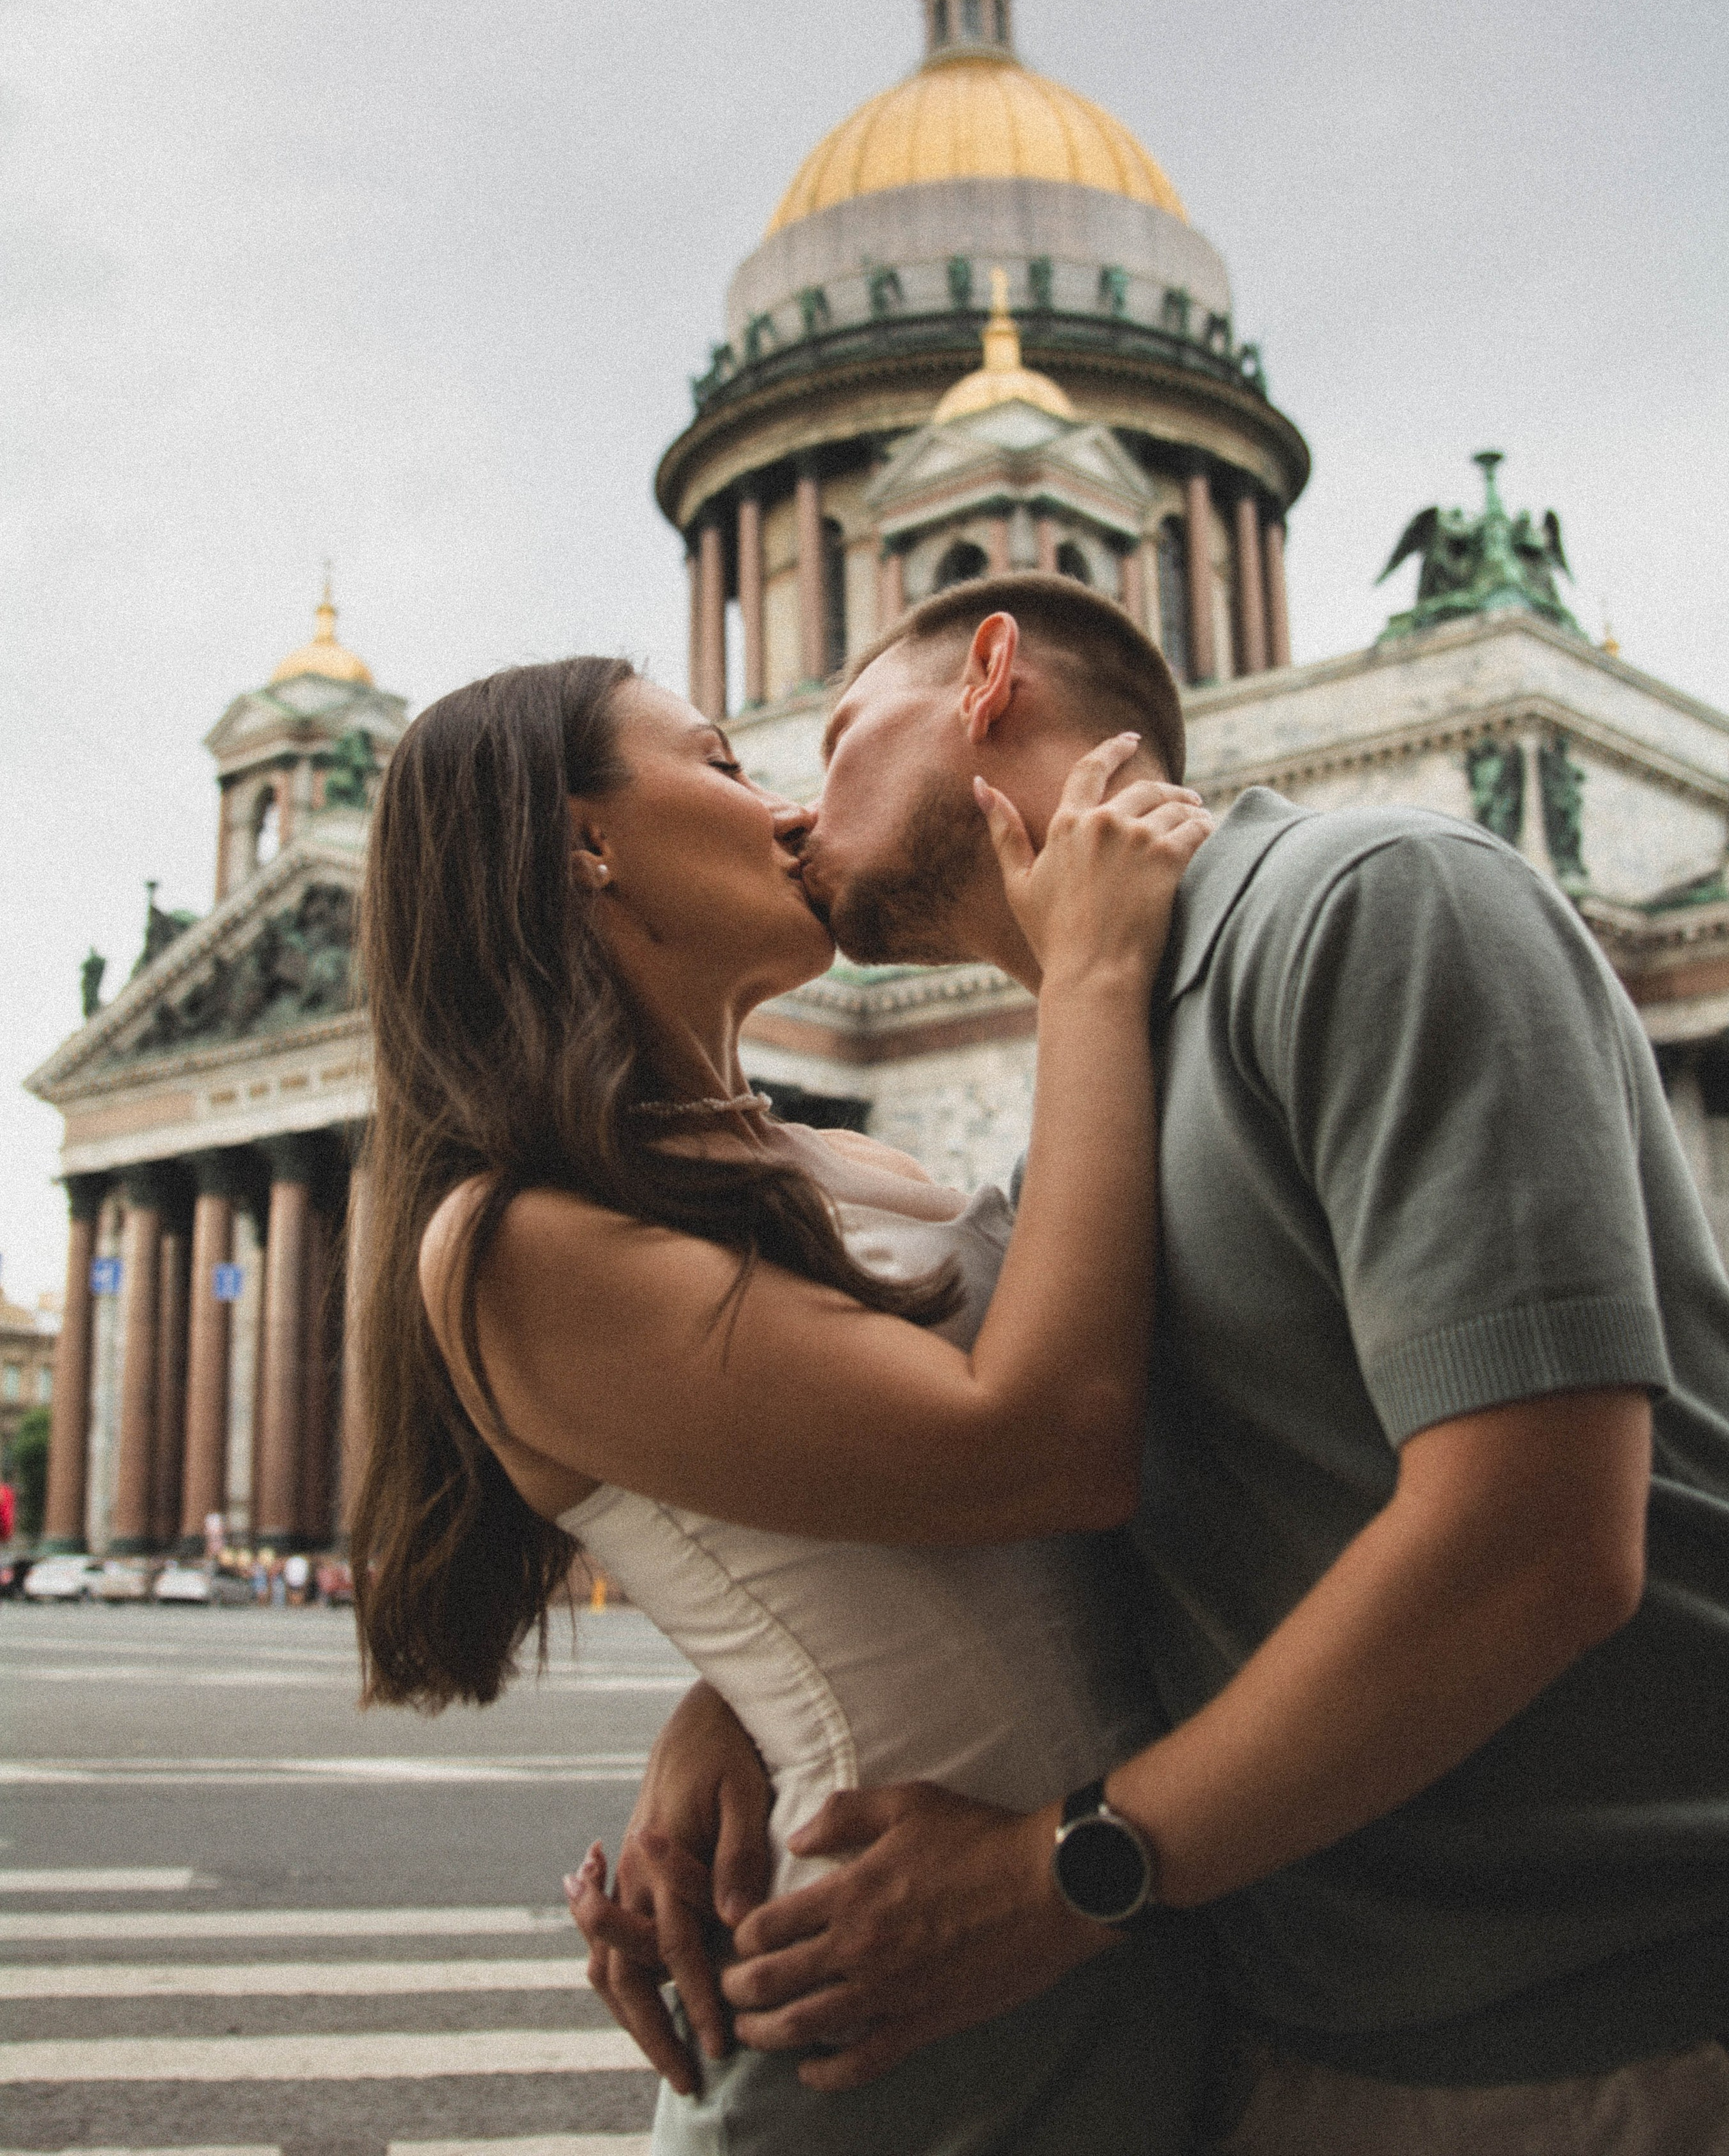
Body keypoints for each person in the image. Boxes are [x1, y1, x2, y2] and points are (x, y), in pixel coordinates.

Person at [578, 572, 1729, 2156]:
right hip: (1274, 2013)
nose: (786, 810)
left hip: (1582, 2034)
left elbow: (1533, 1542)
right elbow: (1119, 1505)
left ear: (988, 677)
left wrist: (1058, 1874)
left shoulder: (1369, 902)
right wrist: (738, 1700)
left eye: (836, 732)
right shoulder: (1105, 1058)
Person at [348, 650, 1217, 2153]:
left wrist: (731, 1703)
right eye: (728, 765)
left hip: (1110, 1949)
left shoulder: (850, 1167)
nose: (795, 812)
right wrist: (1082, 972)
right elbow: (1046, 1447)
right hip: (897, 2020)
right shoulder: (510, 1248)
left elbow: (915, 1525)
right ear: (585, 843)